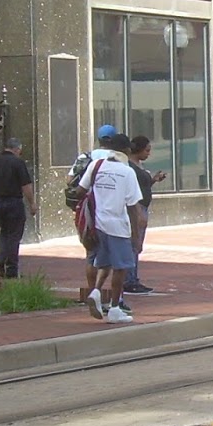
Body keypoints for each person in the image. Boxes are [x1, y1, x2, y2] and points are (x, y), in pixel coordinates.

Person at [75, 130, 145, 323]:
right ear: (125, 150)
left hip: (97, 224)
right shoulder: (127, 172)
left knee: (103, 263)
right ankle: (115, 308)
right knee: (121, 268)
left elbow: (80, 191)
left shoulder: (96, 166)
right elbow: (133, 208)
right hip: (118, 225)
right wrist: (136, 236)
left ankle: (96, 291)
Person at [0, 137, 36, 278]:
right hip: (14, 202)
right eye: (20, 151)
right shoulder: (18, 162)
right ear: (17, 149)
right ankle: (11, 269)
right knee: (14, 235)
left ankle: (0, 258)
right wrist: (32, 203)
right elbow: (26, 186)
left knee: (5, 232)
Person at [123, 135, 167, 295]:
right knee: (134, 243)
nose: (149, 154)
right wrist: (138, 213)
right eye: (147, 150)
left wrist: (154, 179)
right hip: (137, 208)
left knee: (137, 244)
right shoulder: (129, 168)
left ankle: (132, 278)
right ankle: (129, 280)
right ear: (138, 150)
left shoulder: (137, 166)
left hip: (142, 207)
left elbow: (143, 185)